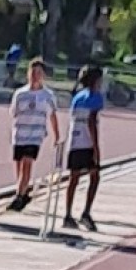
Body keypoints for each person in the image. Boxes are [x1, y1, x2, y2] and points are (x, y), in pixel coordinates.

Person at [7, 58, 59, 213]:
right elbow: (14, 113)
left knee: (27, 163)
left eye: (39, 73)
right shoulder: (20, 94)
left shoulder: (48, 95)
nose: (35, 76)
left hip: (35, 135)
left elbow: (53, 115)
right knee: (19, 165)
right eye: (33, 72)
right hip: (20, 133)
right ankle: (23, 191)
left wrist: (56, 135)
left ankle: (19, 195)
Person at [60, 65, 105, 232]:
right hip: (87, 142)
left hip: (74, 140)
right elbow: (91, 122)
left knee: (74, 177)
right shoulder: (96, 97)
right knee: (94, 176)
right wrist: (96, 147)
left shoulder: (77, 96)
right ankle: (86, 212)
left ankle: (68, 213)